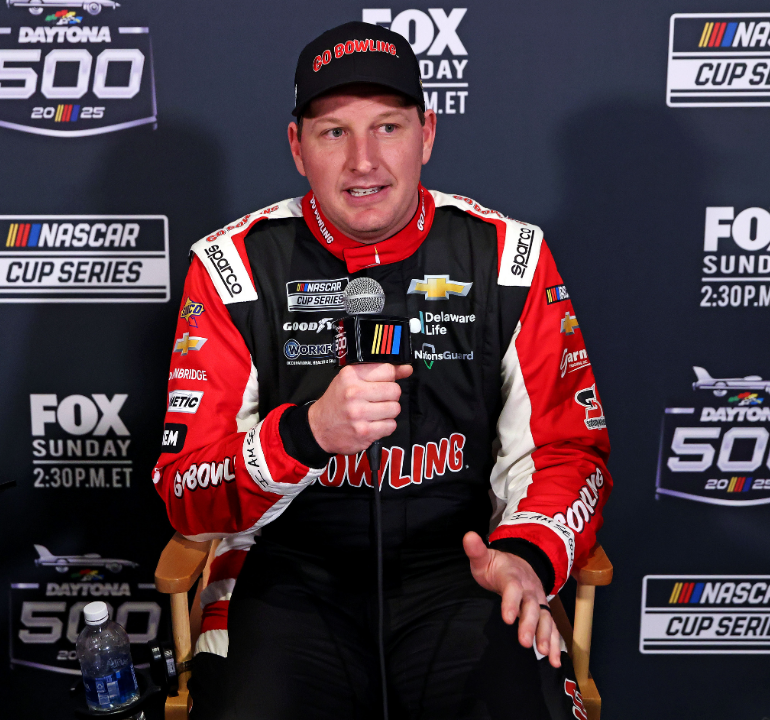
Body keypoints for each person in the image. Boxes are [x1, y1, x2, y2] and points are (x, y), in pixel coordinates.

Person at [153, 21, 611, 720]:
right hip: (288, 580)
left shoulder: (510, 256)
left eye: (388, 127)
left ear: (427, 133)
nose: (363, 161)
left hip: (465, 571)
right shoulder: (232, 266)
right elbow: (185, 491)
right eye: (334, 132)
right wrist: (304, 435)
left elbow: (566, 449)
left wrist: (526, 556)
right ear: (296, 148)